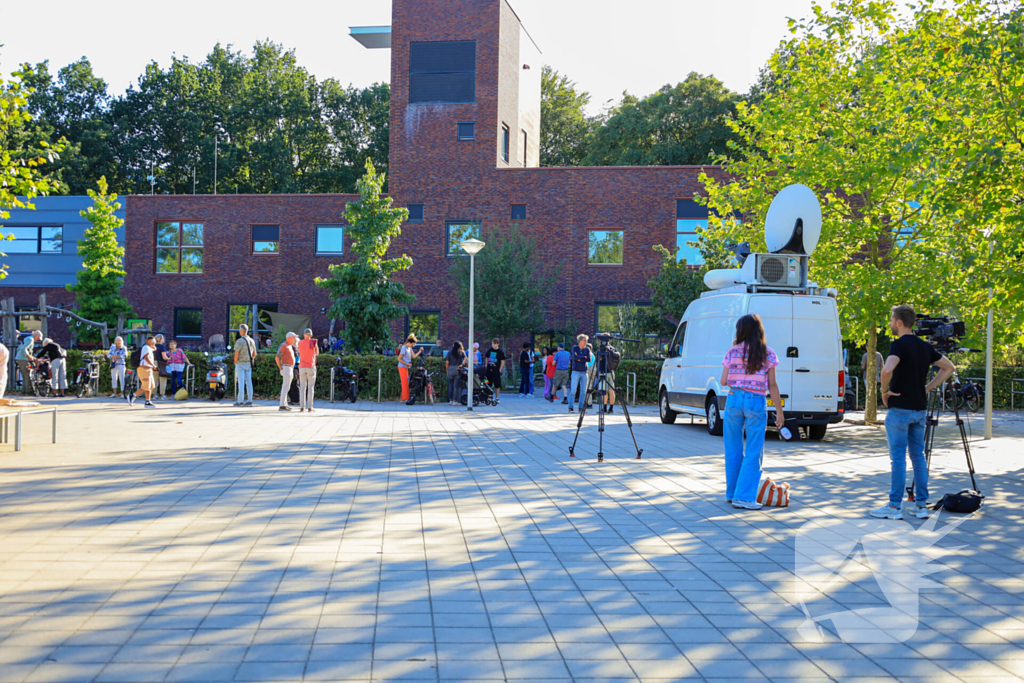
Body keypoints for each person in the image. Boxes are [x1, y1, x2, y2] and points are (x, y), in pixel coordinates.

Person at [873, 304, 956, 520]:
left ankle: (894, 507)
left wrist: (884, 391)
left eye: (891, 320)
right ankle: (921, 506)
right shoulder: (925, 346)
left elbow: (887, 369)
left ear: (899, 322)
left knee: (898, 459)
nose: (890, 323)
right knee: (918, 457)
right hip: (919, 409)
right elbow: (949, 367)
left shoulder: (898, 345)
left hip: (899, 409)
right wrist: (927, 388)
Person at [720, 314, 785, 510]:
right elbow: (772, 385)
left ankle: (732, 493)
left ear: (740, 331)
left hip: (733, 399)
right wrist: (780, 412)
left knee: (732, 448)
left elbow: (723, 381)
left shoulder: (732, 352)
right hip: (755, 401)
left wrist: (738, 378)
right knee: (753, 450)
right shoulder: (768, 354)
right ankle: (744, 497)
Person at [233, 323, 257, 407]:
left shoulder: (239, 341)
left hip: (240, 364)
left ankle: (240, 401)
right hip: (248, 364)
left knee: (241, 382)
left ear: (241, 330)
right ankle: (250, 400)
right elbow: (254, 354)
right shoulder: (252, 341)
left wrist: (235, 362)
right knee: (249, 382)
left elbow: (236, 354)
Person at [131, 336, 158, 407]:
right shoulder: (146, 347)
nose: (153, 342)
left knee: (150, 386)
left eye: (154, 341)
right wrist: (153, 365)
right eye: (152, 341)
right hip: (144, 368)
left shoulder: (149, 348)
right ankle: (133, 395)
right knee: (146, 386)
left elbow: (154, 349)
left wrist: (153, 347)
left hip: (149, 369)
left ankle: (147, 402)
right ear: (147, 341)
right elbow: (146, 358)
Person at [297, 328, 319, 412]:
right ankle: (310, 407)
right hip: (311, 366)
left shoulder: (300, 342)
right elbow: (317, 353)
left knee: (302, 387)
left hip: (302, 366)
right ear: (311, 335)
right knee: (311, 387)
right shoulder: (313, 342)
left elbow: (299, 351)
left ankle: (302, 407)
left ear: (304, 334)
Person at [275, 331, 298, 411]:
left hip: (289, 368)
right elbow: (277, 357)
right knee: (285, 387)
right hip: (286, 367)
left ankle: (284, 404)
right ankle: (282, 405)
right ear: (289, 338)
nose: (294, 339)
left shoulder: (288, 346)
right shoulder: (284, 345)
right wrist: (280, 368)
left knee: (286, 387)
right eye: (293, 338)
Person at [568, 335, 591, 413]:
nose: (586, 342)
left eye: (586, 340)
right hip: (576, 371)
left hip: (584, 371)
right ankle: (570, 407)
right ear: (580, 341)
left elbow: (589, 359)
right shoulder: (575, 348)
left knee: (583, 391)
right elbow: (575, 357)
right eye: (584, 340)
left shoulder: (587, 349)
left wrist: (580, 358)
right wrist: (584, 357)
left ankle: (581, 407)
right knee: (573, 390)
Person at [397, 335, 421, 402]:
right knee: (405, 383)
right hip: (402, 367)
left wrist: (419, 351)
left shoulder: (409, 348)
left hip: (406, 367)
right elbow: (399, 359)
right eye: (413, 344)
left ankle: (403, 398)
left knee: (406, 382)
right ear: (409, 342)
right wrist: (407, 364)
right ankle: (405, 398)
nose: (413, 346)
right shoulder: (404, 348)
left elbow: (414, 356)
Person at [485, 339, 505, 403]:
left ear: (497, 344)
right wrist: (486, 366)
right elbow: (487, 358)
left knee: (497, 384)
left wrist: (500, 369)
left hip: (496, 370)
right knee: (488, 383)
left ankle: (497, 397)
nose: (493, 345)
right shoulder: (489, 350)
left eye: (494, 344)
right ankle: (489, 396)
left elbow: (502, 361)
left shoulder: (500, 352)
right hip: (489, 370)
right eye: (492, 343)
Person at [446, 341, 466, 405]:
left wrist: (447, 370)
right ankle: (455, 400)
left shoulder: (449, 352)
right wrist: (462, 364)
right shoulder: (461, 352)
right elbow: (465, 358)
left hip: (450, 368)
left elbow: (447, 362)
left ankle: (450, 400)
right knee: (456, 386)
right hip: (457, 368)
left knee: (450, 385)